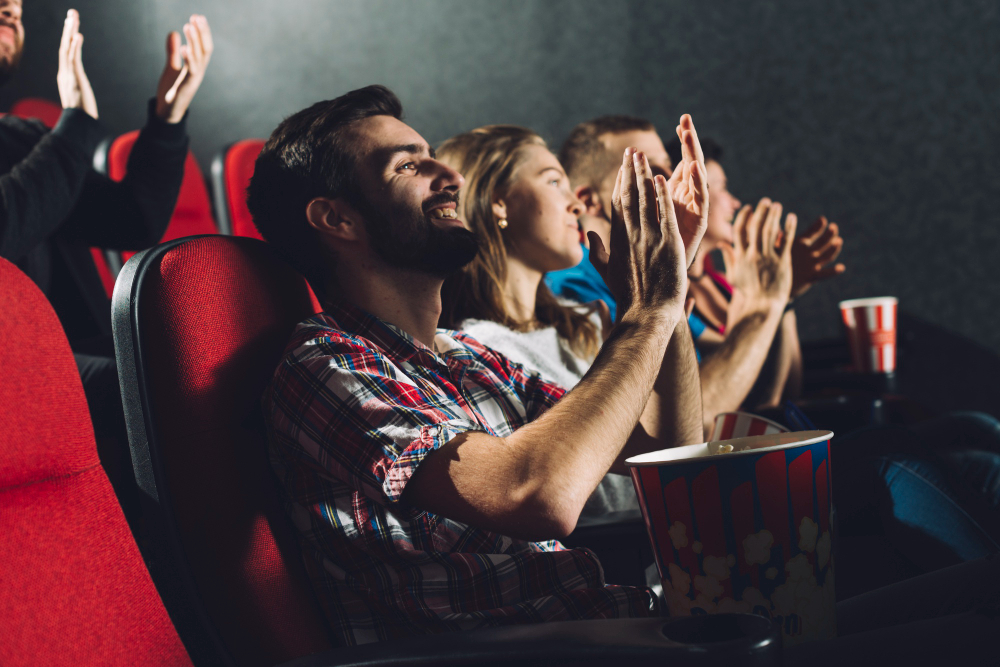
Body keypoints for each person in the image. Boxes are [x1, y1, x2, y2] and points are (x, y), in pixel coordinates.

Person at [247, 85, 708, 644]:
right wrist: (646, 312)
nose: (452, 176)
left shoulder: (468, 358)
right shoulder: (324, 366)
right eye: (408, 166)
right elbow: (536, 494)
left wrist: (671, 298)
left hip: (598, 629)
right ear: (338, 219)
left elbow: (668, 454)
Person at [0, 5, 213, 505]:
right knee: (160, 388)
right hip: (14, 367)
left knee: (209, 361)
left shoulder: (18, 138)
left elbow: (132, 220)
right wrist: (74, 127)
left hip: (58, 352)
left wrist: (167, 118)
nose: (12, 6)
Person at [437, 124, 704, 517]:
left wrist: (669, 281)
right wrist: (656, 303)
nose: (575, 204)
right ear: (499, 202)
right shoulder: (470, 348)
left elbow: (673, 453)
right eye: (553, 181)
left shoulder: (585, 321)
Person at [549, 116, 844, 436]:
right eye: (646, 169)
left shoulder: (658, 275)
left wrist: (781, 297)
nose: (672, 179)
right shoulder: (571, 288)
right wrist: (765, 302)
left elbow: (751, 383)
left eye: (669, 166)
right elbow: (692, 418)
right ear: (590, 200)